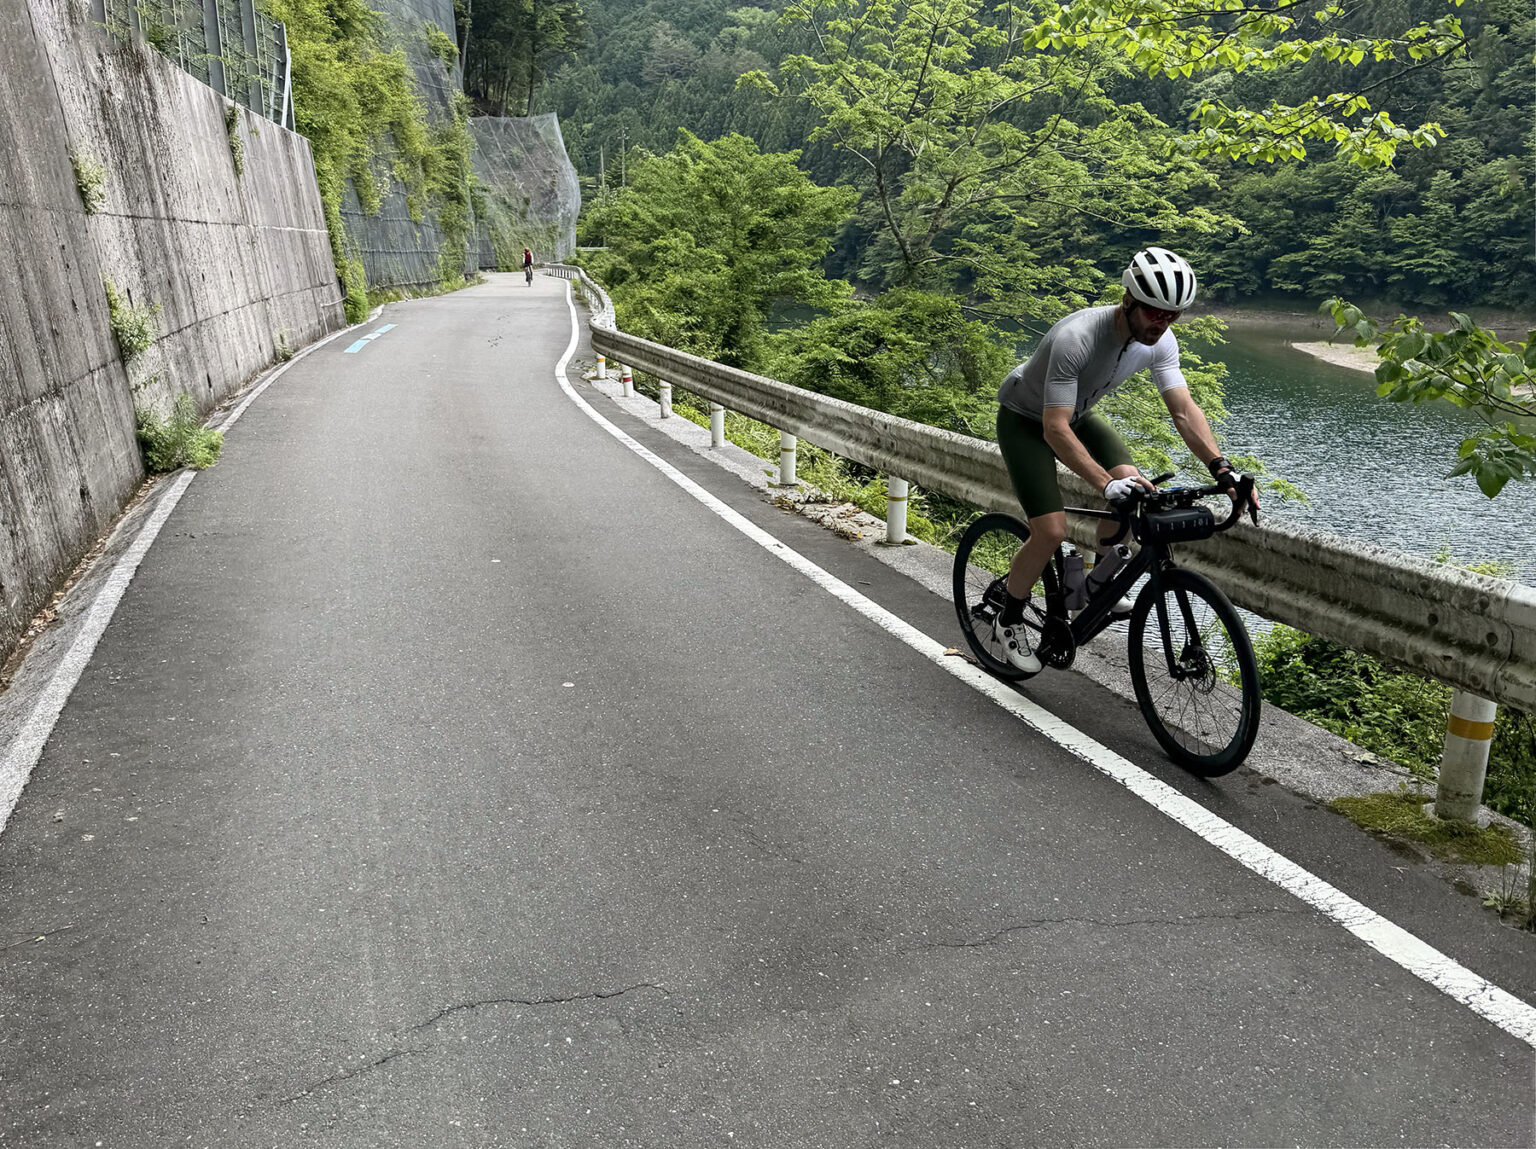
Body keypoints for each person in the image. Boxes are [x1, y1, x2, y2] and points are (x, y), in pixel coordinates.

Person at [991, 247, 1259, 674]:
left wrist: (1221, 468)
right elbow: (1054, 429)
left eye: (1173, 316)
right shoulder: (1076, 338)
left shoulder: (1160, 341)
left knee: (1135, 486)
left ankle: (1098, 585)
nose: (1163, 324)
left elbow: (1184, 411)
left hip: (1079, 414)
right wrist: (1103, 484)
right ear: (1129, 300)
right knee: (1051, 530)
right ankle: (1008, 619)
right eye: (1155, 313)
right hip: (1026, 420)